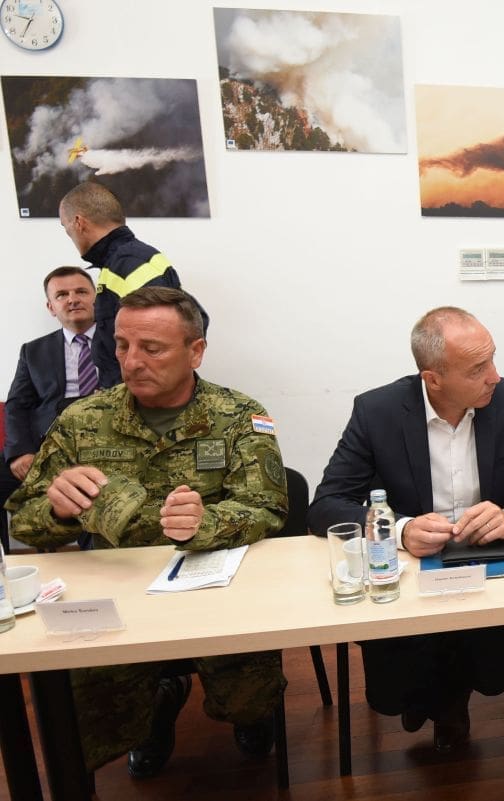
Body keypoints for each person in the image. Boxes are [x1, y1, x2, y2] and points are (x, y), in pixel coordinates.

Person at [4, 287, 287, 778]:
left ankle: (247, 716)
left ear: (195, 351)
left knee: (248, 693)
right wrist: (59, 511)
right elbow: (23, 520)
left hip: (213, 588)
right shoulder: (82, 421)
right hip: (117, 591)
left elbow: (267, 507)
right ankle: (154, 710)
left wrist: (205, 523)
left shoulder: (240, 416)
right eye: (121, 345)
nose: (132, 362)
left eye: (152, 348)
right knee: (89, 716)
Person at [308, 307, 504, 752]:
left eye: (492, 358)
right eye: (477, 369)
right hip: (410, 570)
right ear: (433, 379)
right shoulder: (377, 411)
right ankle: (438, 700)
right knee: (390, 695)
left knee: (496, 676)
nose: (494, 376)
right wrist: (399, 529)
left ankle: (445, 701)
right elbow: (326, 506)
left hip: (489, 564)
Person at [3, 267, 122, 550]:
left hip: (107, 439)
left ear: (96, 299)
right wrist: (20, 452)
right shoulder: (33, 351)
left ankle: (92, 551)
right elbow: (18, 405)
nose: (73, 299)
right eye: (62, 295)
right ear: (51, 307)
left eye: (81, 291)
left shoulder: (122, 341)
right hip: (49, 444)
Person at [59, 181, 201, 381]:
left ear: (79, 223)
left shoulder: (130, 263)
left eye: (66, 228)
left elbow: (166, 338)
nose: (70, 235)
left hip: (138, 392)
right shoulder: (120, 262)